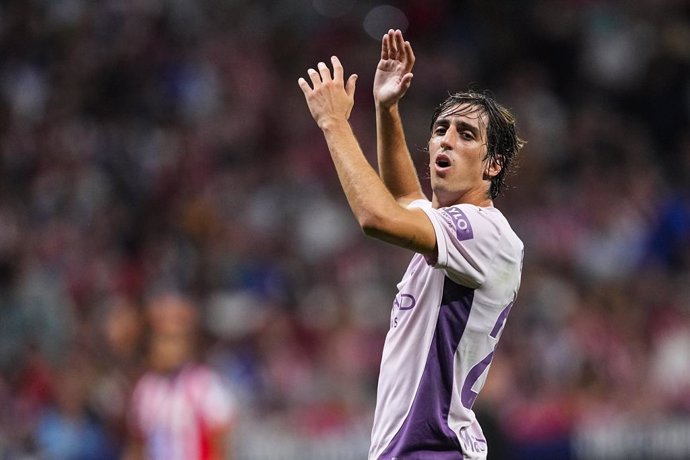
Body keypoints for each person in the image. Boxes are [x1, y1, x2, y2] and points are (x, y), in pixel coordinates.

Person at [298, 29, 525, 459]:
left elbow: (378, 216)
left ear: (492, 165)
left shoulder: (484, 231)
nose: (445, 139)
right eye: (441, 129)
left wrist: (334, 124)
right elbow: (406, 200)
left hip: (432, 448)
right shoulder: (460, 231)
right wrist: (387, 107)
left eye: (466, 134)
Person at [125, 290, 236, 460]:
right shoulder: (146, 388)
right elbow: (138, 444)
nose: (167, 348)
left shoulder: (204, 383)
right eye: (161, 340)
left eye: (174, 340)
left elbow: (221, 441)